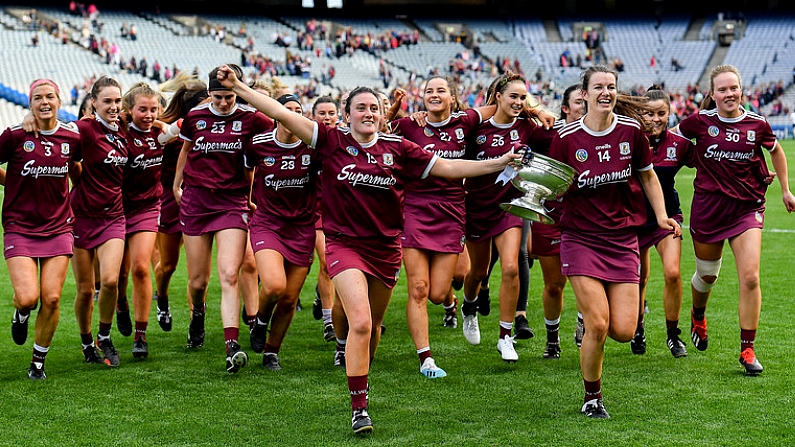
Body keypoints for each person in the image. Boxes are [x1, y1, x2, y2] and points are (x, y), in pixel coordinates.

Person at [216, 65, 520, 435]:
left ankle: (361, 377)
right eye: (360, 108)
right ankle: (359, 408)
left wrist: (499, 163)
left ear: (381, 113)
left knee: (373, 327)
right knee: (360, 321)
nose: (368, 113)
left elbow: (451, 167)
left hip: (386, 248)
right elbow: (279, 112)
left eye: (374, 108)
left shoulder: (399, 149)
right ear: (347, 115)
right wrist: (240, 87)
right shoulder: (330, 140)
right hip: (344, 245)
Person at [548, 65, 680, 418]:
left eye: (611, 86)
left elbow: (648, 177)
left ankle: (598, 322)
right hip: (581, 238)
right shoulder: (565, 137)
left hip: (623, 239)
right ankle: (593, 397)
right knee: (599, 324)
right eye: (599, 87)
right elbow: (551, 185)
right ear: (585, 94)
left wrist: (662, 215)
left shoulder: (631, 131)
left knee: (624, 330)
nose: (605, 92)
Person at [671, 64, 795, 375]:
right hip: (708, 210)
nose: (729, 94)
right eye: (722, 89)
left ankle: (747, 348)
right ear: (711, 94)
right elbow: (669, 142)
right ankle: (698, 314)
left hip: (746, 209)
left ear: (742, 90)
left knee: (751, 277)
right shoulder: (698, 122)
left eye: (733, 88)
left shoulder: (757, 124)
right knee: (707, 276)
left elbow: (777, 152)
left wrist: (785, 189)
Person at [173, 64, 274, 374]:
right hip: (197, 202)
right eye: (217, 97)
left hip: (232, 202)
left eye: (229, 97)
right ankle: (198, 314)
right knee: (198, 280)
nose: (223, 103)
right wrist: (176, 185)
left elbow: (280, 125)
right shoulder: (195, 117)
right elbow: (186, 149)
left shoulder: (251, 119)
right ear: (209, 94)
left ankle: (232, 346)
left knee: (230, 272)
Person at [387, 75, 488, 378]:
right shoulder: (409, 126)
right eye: (429, 90)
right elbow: (376, 128)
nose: (434, 94)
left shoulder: (467, 122)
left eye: (440, 90)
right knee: (418, 289)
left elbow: (501, 103)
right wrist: (394, 108)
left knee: (437, 292)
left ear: (453, 98)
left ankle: (455, 302)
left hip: (452, 211)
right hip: (415, 209)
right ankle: (426, 358)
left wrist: (537, 111)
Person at [461, 71, 555, 363]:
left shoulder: (528, 127)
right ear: (498, 97)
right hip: (477, 207)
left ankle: (505, 337)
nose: (517, 102)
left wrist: (543, 114)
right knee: (478, 271)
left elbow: (554, 144)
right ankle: (469, 306)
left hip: (509, 207)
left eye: (522, 97)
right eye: (512, 96)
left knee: (513, 267)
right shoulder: (476, 126)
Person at [2, 79, 80, 379]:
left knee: (52, 298)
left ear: (59, 100)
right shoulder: (14, 136)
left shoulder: (71, 137)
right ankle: (21, 314)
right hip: (20, 227)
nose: (44, 101)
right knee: (28, 298)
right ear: (30, 103)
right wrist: (12, 182)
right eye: (37, 97)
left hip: (59, 227)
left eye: (49, 96)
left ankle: (37, 362)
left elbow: (77, 167)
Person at [246, 94, 319, 370]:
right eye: (287, 110)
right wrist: (247, 199)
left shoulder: (313, 147)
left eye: (298, 110)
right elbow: (246, 173)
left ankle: (271, 352)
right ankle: (260, 321)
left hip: (302, 227)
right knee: (275, 285)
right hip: (268, 223)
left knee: (289, 300)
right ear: (276, 114)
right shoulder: (259, 144)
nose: (292, 115)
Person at [630, 87, 696, 358]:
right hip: (632, 221)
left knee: (672, 273)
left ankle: (673, 335)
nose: (655, 119)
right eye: (648, 113)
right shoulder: (629, 141)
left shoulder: (679, 145)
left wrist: (757, 173)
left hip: (668, 219)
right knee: (639, 279)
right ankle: (637, 329)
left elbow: (713, 164)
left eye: (661, 113)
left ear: (670, 113)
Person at [70, 75, 130, 367]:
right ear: (93, 103)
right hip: (80, 218)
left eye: (117, 101)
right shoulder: (84, 128)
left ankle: (104, 336)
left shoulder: (125, 132)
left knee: (109, 281)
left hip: (113, 218)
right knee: (84, 289)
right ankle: (86, 343)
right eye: (107, 101)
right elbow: (60, 145)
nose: (114, 106)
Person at [152, 74, 210, 334]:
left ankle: (195, 320)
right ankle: (161, 299)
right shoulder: (170, 126)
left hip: (200, 200)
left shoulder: (212, 125)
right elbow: (157, 138)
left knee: (198, 271)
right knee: (168, 265)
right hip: (171, 199)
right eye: (208, 101)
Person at [532, 83, 585, 359]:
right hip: (550, 214)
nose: (584, 105)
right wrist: (537, 110)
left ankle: (582, 319)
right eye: (578, 101)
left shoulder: (601, 133)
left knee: (585, 277)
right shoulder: (548, 133)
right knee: (555, 284)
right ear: (565, 108)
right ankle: (552, 338)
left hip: (585, 216)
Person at [116, 83, 166, 358]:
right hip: (115, 209)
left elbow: (186, 126)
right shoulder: (119, 131)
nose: (148, 114)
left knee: (141, 268)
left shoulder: (161, 132)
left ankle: (141, 335)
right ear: (129, 109)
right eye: (142, 109)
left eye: (153, 109)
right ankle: (121, 303)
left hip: (147, 208)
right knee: (118, 275)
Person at [309, 95, 339, 343]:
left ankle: (326, 300)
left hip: (342, 213)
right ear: (313, 117)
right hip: (316, 212)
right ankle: (330, 321)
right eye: (322, 113)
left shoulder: (346, 142)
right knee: (327, 263)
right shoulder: (308, 144)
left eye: (331, 113)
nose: (327, 118)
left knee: (334, 266)